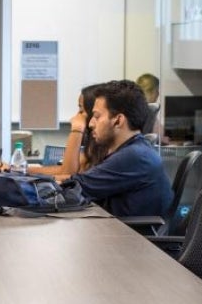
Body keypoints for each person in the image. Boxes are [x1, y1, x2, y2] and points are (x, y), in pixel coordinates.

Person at [69, 79, 172, 218]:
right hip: (120, 233)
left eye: (97, 117)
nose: (91, 123)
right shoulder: (134, 150)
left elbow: (75, 188)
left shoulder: (134, 156)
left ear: (118, 120)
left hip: (129, 237)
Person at [29, 83, 106, 179]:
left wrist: (77, 129)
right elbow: (63, 170)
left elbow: (68, 172)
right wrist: (19, 170)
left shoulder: (104, 144)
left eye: (81, 109)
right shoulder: (94, 145)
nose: (77, 115)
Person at [135, 72, 162, 137]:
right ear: (151, 91)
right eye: (157, 90)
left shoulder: (133, 106)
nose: (158, 94)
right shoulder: (150, 110)